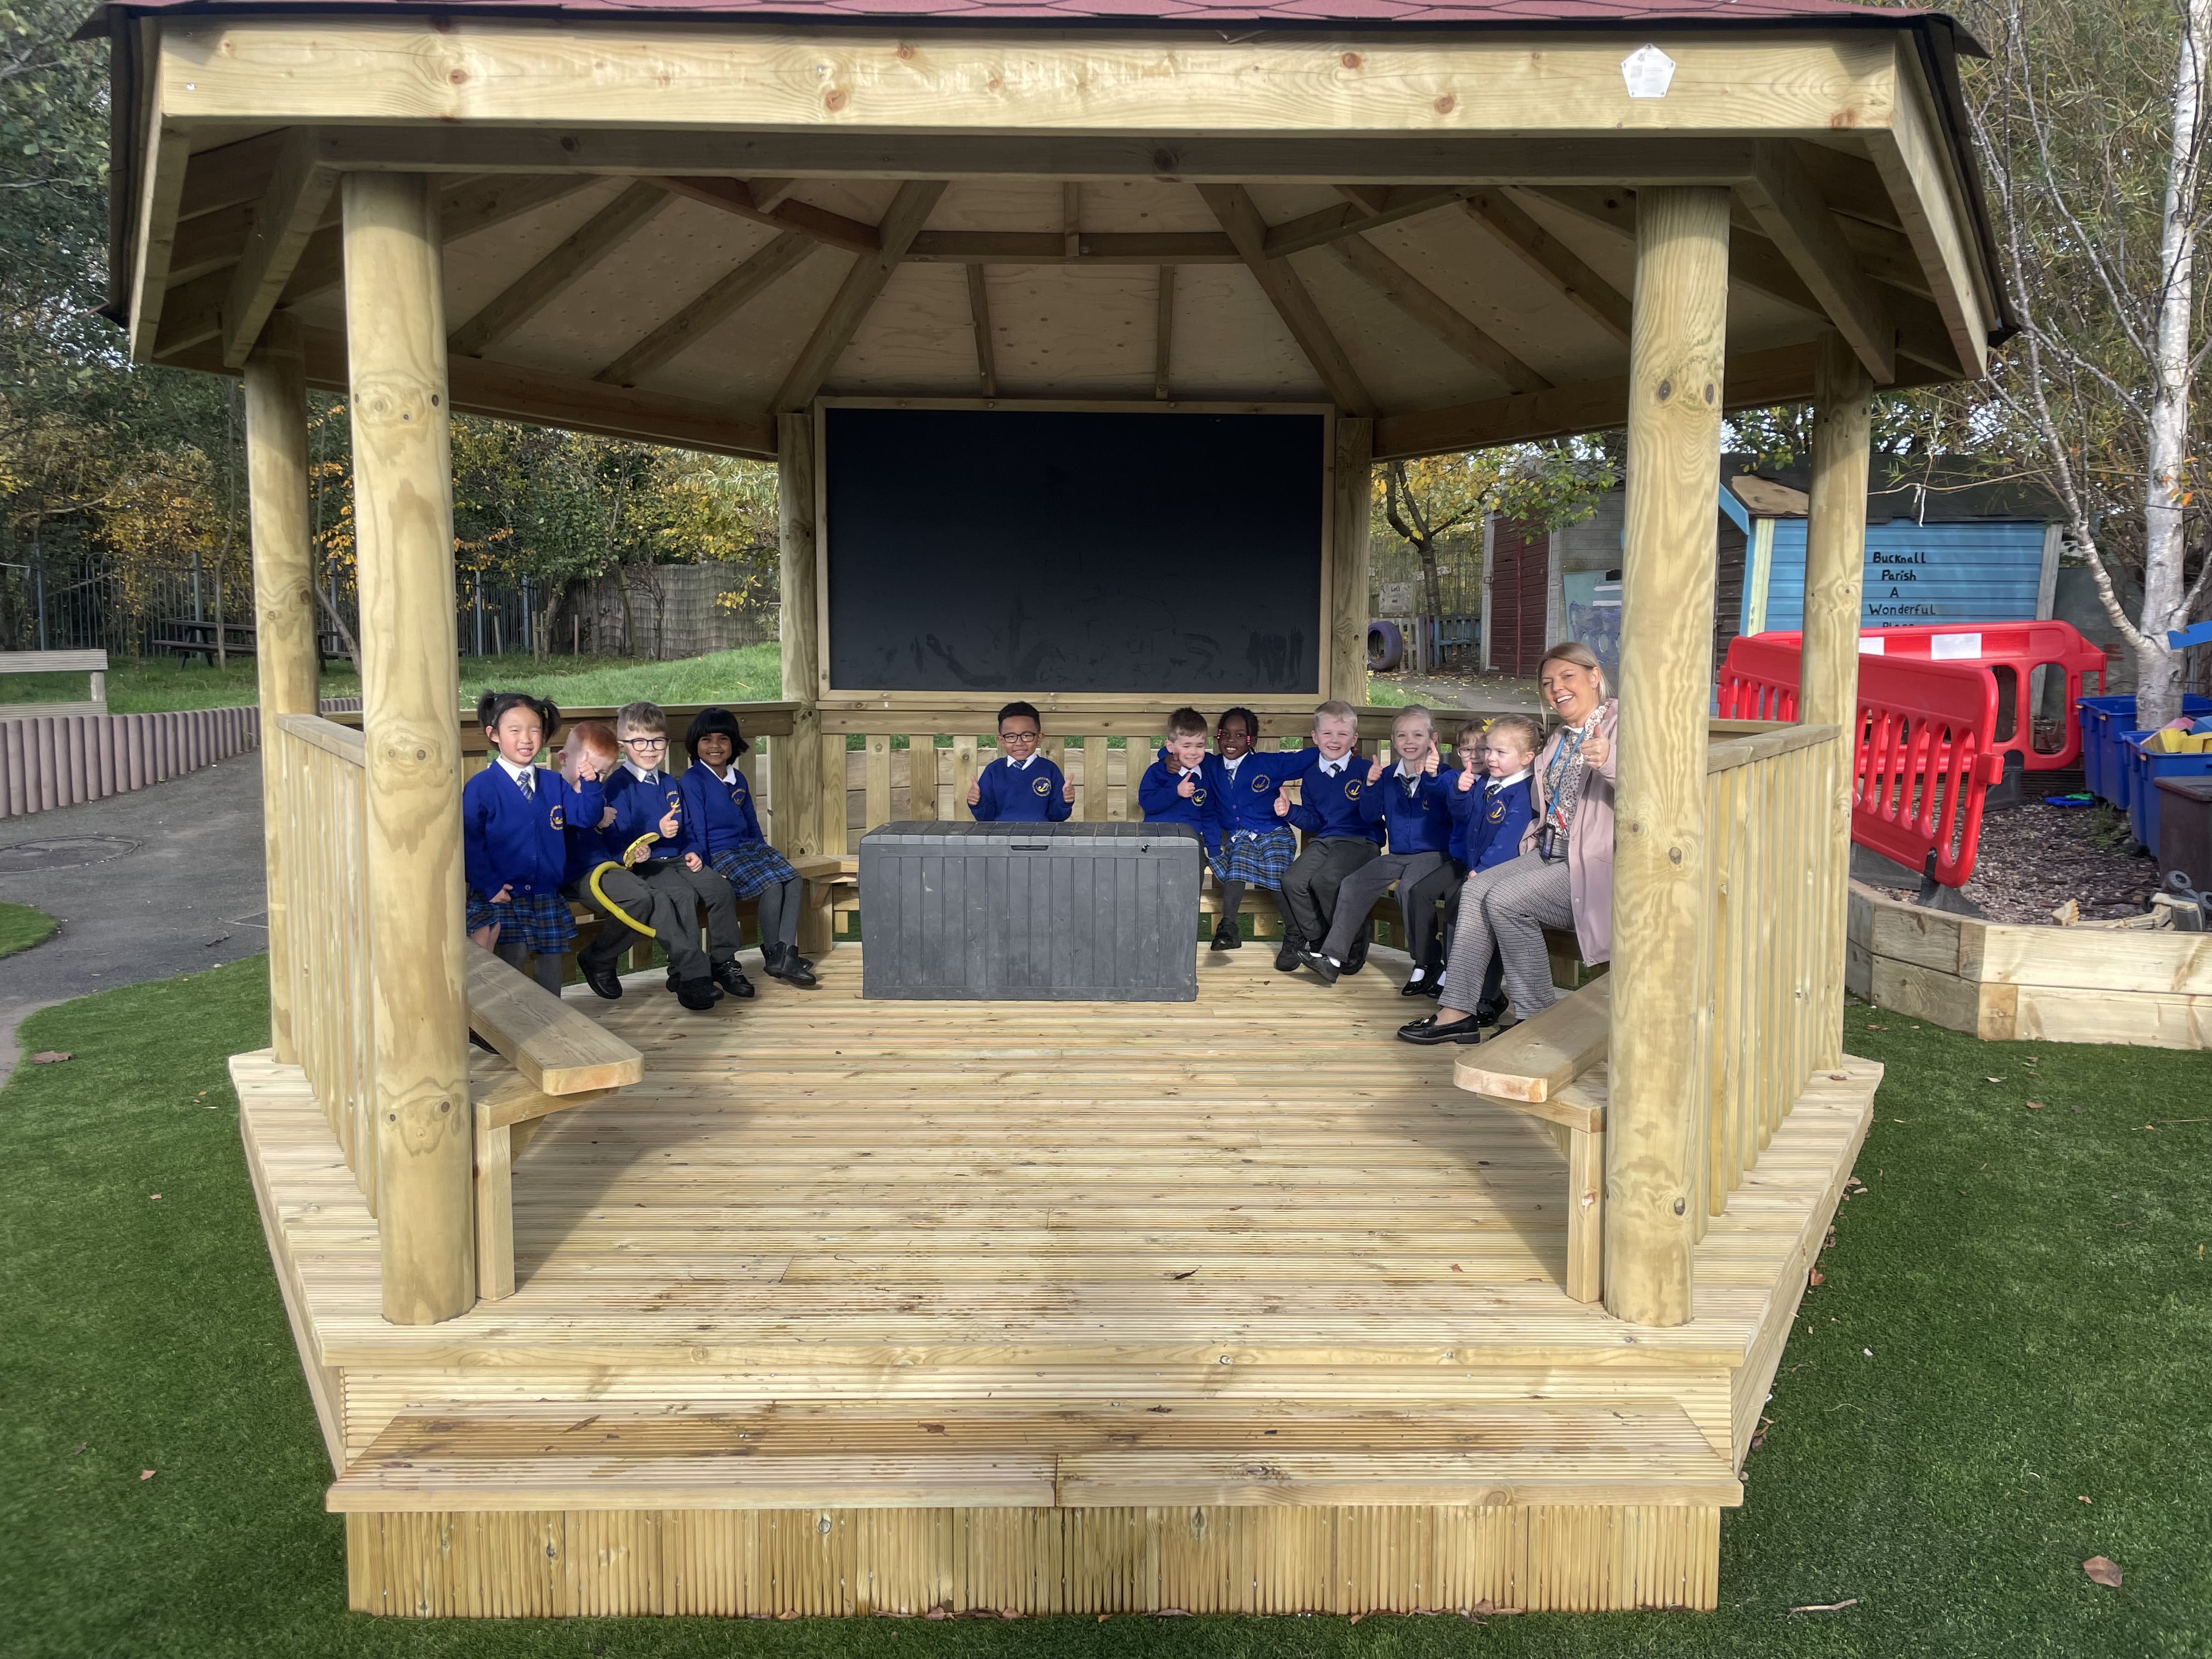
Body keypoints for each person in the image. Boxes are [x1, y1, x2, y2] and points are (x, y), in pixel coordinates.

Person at [1400, 645, 1616, 1046]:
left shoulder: (1621, 726)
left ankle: (1537, 1016)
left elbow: (1655, 786)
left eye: (1567, 677)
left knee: (1505, 900)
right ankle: (1458, 1010)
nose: (1557, 689)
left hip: (1592, 863)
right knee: (1476, 889)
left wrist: (1610, 760)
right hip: (1549, 852)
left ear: (1594, 676)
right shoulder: (1559, 738)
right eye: (1548, 683)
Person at [590, 699, 750, 1012]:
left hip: (679, 859)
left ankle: (722, 961)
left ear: (666, 743)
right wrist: (654, 832)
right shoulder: (618, 788)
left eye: (657, 741)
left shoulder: (669, 783)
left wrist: (692, 850)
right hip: (647, 866)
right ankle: (688, 976)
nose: (649, 749)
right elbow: (616, 835)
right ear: (623, 746)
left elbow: (688, 827)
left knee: (720, 890)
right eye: (639, 742)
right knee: (682, 896)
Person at [1299, 705, 1455, 985]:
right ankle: (1333, 958)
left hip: (1433, 853)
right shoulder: (1387, 777)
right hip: (1397, 855)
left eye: (1418, 735)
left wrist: (1431, 778)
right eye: (1402, 736)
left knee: (1407, 890)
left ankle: (1426, 961)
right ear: (1393, 741)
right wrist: (1371, 785)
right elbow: (1370, 815)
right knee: (1353, 884)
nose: (1409, 742)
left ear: (1434, 739)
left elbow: (1450, 810)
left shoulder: (1443, 775)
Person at [464, 691, 600, 995]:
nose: (526, 739)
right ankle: (505, 1029)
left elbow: (587, 817)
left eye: (534, 730)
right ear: (494, 735)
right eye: (515, 731)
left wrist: (591, 785)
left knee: (551, 967)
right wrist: (489, 885)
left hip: (545, 895)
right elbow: (470, 843)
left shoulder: (553, 784)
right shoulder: (481, 788)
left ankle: (550, 1027)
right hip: (503, 894)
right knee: (510, 963)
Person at [680, 707, 816, 989]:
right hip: (720, 853)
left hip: (749, 847)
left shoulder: (737, 779)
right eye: (706, 739)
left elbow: (751, 822)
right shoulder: (694, 781)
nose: (715, 746)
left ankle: (785, 952)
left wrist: (765, 853)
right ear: (695, 744)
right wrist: (707, 869)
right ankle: (776, 954)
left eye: (723, 739)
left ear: (733, 744)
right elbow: (697, 829)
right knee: (772, 885)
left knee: (792, 879)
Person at [1420, 713, 1541, 1009]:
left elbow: (1509, 839)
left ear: (1527, 758)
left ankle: (1488, 996)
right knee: (1458, 915)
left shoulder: (1522, 792)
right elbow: (1462, 816)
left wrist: (1483, 871)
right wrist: (1460, 793)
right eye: (1488, 750)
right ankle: (1461, 986)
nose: (1490, 757)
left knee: (1492, 932)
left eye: (1501, 752)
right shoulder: (1486, 783)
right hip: (1476, 870)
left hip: (1499, 876)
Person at [1277, 700, 1383, 974]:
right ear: (1315, 737)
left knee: (1327, 881)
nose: (1334, 741)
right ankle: (1320, 939)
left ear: (1354, 738)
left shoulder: (1362, 771)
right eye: (1327, 734)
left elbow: (1373, 816)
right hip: (1327, 840)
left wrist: (1371, 785)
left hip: (1361, 841)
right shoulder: (1312, 775)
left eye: (1342, 734)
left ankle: (1354, 940)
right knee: (1293, 880)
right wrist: (1290, 812)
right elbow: (1313, 820)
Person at [1197, 706, 1297, 951]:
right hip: (1241, 837)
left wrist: (1344, 755)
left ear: (1252, 740)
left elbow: (1307, 759)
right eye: (1226, 734)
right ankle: (1228, 928)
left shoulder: (1265, 763)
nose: (1231, 740)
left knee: (1276, 872)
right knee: (1238, 860)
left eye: (1240, 735)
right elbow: (1182, 750)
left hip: (1274, 833)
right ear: (1218, 736)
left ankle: (1295, 936)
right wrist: (1165, 756)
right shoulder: (1211, 765)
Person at [1138, 708, 1233, 922]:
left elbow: (1208, 815)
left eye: (1200, 745)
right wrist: (1175, 792)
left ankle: (1183, 929)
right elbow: (1148, 803)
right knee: (1153, 892)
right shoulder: (1158, 772)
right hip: (1158, 838)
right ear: (1171, 747)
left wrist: (1214, 849)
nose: (1193, 752)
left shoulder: (1204, 777)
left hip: (1191, 841)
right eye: (1186, 745)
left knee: (1189, 892)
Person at [968, 701, 1075, 822]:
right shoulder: (994, 771)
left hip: (1040, 838)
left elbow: (1056, 817)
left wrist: (1065, 801)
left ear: (1039, 738)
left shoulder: (1050, 770)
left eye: (1027, 735)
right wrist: (977, 803)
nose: (1019, 743)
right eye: (1011, 737)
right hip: (1002, 838)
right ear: (1001, 740)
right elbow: (986, 817)